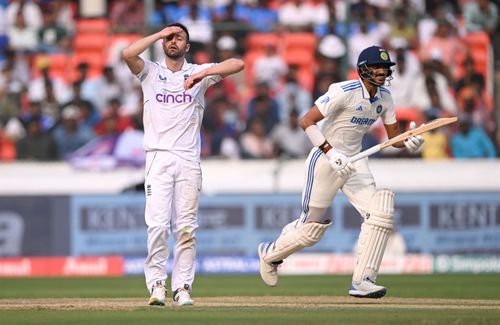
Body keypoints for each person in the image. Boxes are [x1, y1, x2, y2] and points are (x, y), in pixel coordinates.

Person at [257, 46, 424, 298]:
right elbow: (306, 121)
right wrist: (330, 152)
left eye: (385, 68)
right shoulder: (343, 91)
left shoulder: (386, 97)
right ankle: (271, 255)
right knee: (310, 229)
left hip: (356, 160)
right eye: (376, 67)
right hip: (325, 159)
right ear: (362, 69)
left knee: (380, 212)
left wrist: (410, 141)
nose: (381, 71)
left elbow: (394, 139)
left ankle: (364, 280)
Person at [122, 22, 244, 307]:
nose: (173, 41)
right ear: (163, 43)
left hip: (188, 159)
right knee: (157, 226)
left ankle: (183, 288)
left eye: (179, 38)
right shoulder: (151, 72)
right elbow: (128, 54)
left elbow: (237, 63)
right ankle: (156, 286)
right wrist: (158, 34)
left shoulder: (197, 73)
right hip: (158, 158)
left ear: (187, 47)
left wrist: (203, 73)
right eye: (169, 38)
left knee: (187, 228)